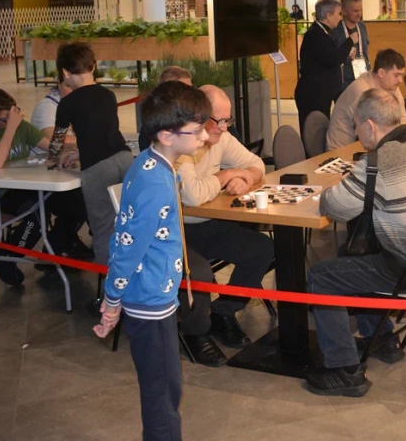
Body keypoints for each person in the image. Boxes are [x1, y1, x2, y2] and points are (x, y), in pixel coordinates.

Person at [305, 89, 406, 397]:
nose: (355, 132)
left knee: (321, 276)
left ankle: (345, 370)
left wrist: (345, 182)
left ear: (370, 126)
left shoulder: (376, 164)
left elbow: (332, 208)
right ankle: (384, 340)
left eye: (356, 125)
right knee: (349, 255)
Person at [94, 81, 211, 441]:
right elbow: (128, 248)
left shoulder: (150, 162)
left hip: (154, 294)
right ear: (166, 135)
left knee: (164, 386)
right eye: (197, 130)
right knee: (162, 393)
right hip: (149, 303)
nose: (206, 137)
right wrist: (112, 300)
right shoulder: (157, 183)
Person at [175, 85, 274, 365]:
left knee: (261, 249)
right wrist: (228, 174)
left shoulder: (222, 138)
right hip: (173, 230)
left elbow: (257, 163)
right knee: (199, 271)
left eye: (227, 120)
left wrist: (245, 177)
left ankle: (224, 312)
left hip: (208, 223)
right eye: (217, 120)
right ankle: (195, 332)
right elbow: (192, 194)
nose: (223, 127)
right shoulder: (181, 143)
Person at [0, 88, 86, 286]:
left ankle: (51, 253)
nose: (15, 121)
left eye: (15, 113)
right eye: (6, 119)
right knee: (37, 214)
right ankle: (8, 258)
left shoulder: (23, 127)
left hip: (28, 187)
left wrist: (75, 149)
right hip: (0, 193)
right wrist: (10, 128)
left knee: (78, 202)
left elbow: (51, 147)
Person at [47, 42, 134, 274]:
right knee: (130, 221)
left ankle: (111, 286)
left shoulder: (67, 103)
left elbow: (57, 140)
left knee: (103, 228)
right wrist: (81, 151)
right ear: (94, 66)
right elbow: (102, 132)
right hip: (125, 159)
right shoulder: (108, 95)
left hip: (99, 169)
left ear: (65, 72)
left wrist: (52, 159)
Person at [295, 0, 359, 132]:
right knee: (313, 133)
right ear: (329, 16)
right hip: (313, 94)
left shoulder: (322, 33)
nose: (340, 18)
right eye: (338, 14)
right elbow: (333, 59)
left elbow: (327, 57)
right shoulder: (316, 35)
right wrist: (349, 41)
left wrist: (345, 54)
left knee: (321, 130)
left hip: (321, 94)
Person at [326, 48, 406, 149]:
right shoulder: (362, 90)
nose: (400, 80)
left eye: (401, 75)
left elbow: (401, 117)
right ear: (381, 73)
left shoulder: (390, 85)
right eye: (396, 75)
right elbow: (373, 131)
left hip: (365, 144)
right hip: (343, 149)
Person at [137, 66, 193, 152]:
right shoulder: (158, 117)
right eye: (184, 89)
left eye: (191, 89)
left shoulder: (190, 111)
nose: (191, 93)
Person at [330, 0, 371, 98]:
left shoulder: (361, 26)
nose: (359, 14)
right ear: (344, 11)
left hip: (363, 79)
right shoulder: (335, 30)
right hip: (344, 83)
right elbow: (332, 56)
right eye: (355, 11)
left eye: (361, 10)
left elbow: (365, 50)